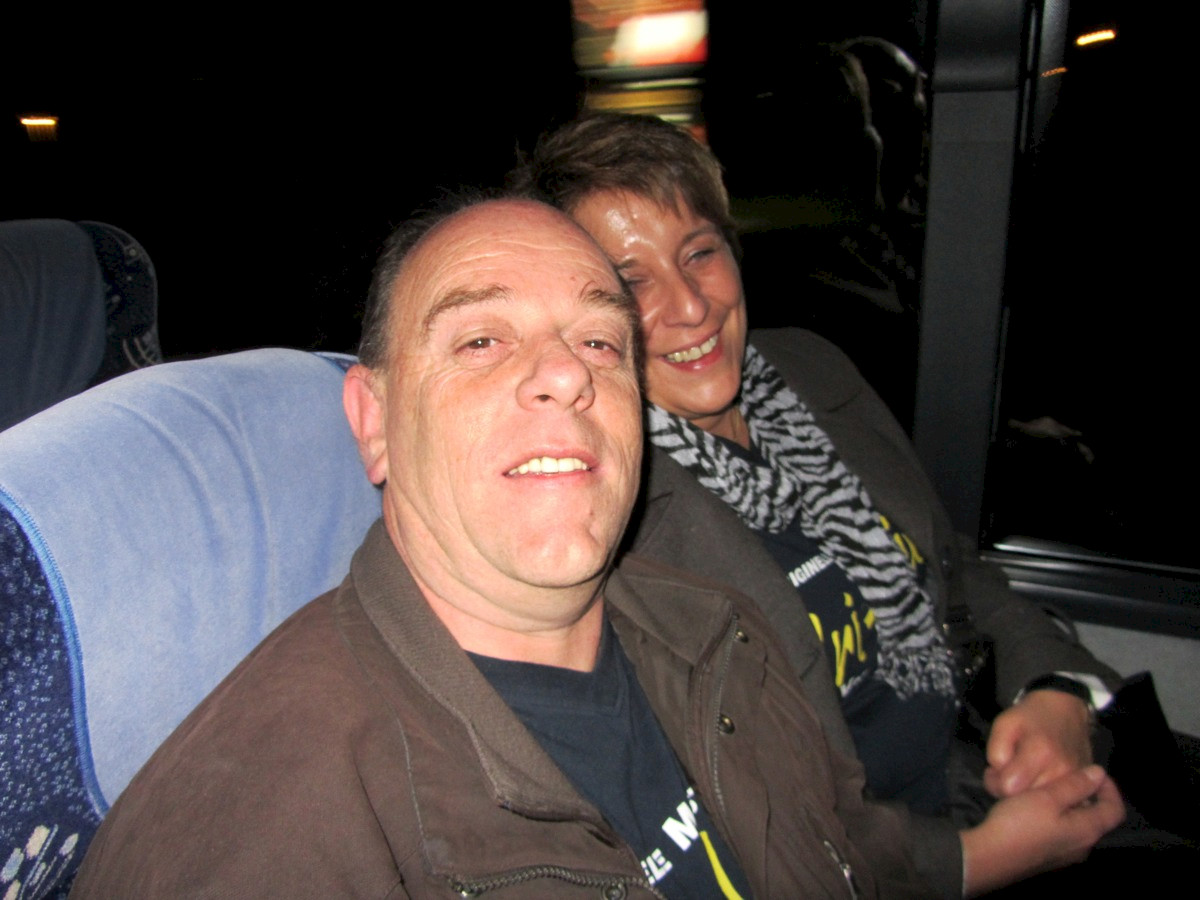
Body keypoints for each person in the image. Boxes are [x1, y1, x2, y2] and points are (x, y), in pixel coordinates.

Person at [70, 196, 963, 898]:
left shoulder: (722, 632)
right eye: (482, 340)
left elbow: (855, 854)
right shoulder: (263, 835)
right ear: (375, 422)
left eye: (600, 340)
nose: (569, 373)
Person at [510, 112, 1125, 897]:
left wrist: (1055, 692)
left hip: (982, 760)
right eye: (631, 282)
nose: (691, 306)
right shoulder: (604, 512)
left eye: (700, 252)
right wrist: (973, 861)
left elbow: (954, 572)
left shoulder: (811, 368)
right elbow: (737, 816)